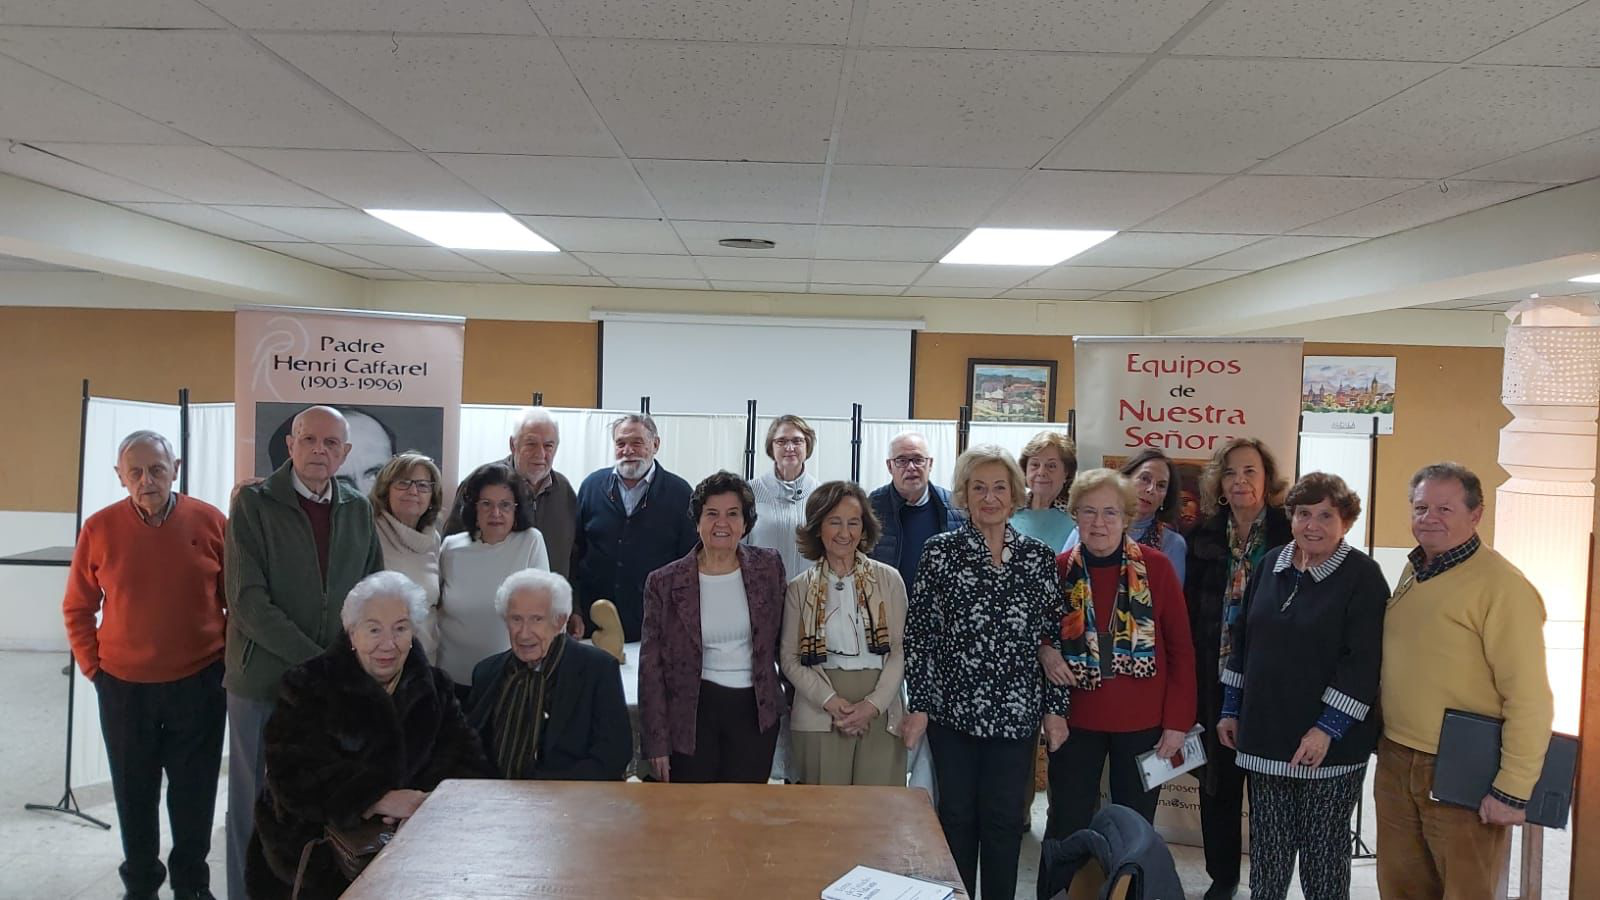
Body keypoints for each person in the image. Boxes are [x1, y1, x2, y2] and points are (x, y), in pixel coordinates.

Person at [244, 572, 487, 900]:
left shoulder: (435, 688)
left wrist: (426, 804)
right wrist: (376, 798)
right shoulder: (307, 685)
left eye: (400, 628)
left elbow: (469, 763)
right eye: (374, 629)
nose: (388, 644)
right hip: (319, 855)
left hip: (415, 850)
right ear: (351, 633)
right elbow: (292, 775)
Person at [224, 405, 383, 900]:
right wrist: (319, 662)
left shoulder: (357, 508)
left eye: (331, 443)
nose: (320, 450)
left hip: (332, 686)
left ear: (345, 453)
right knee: (254, 803)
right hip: (263, 682)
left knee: (322, 801)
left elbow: (370, 593)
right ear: (290, 445)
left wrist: (345, 667)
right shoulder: (253, 504)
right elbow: (248, 602)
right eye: (309, 439)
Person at [62, 431, 227, 900]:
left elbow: (237, 601)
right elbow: (77, 607)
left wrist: (223, 665)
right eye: (134, 472)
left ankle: (192, 885)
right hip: (124, 686)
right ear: (120, 477)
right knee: (134, 792)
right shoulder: (99, 528)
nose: (146, 480)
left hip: (199, 681)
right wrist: (95, 669)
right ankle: (140, 885)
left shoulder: (211, 521)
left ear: (175, 467)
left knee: (194, 793)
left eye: (156, 469)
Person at [1376, 463, 1553, 899]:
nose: (1429, 517)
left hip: (1462, 769)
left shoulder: (1504, 588)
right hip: (1398, 759)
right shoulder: (1416, 569)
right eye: (1420, 507)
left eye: (1444, 508)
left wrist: (1512, 789)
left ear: (1476, 515)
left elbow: (1529, 697)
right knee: (1400, 888)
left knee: (1465, 890)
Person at [901, 445, 1069, 900]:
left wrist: (1056, 711)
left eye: (999, 487)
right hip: (953, 714)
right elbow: (919, 637)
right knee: (955, 818)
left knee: (1004, 821)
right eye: (979, 487)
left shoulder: (1037, 559)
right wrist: (919, 705)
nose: (989, 497)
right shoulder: (940, 552)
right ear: (964, 495)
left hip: (1016, 717)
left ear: (1015, 494)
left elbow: (1055, 640)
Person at [1215, 472, 1389, 900]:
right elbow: (1243, 641)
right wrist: (1231, 707)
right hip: (1264, 734)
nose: (1313, 524)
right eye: (1303, 513)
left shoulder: (1363, 576)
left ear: (1346, 521)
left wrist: (1326, 729)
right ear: (1290, 517)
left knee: (1323, 856)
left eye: (1326, 515)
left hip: (1329, 746)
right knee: (1268, 853)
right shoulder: (1270, 564)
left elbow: (1363, 663)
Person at [1040, 468, 1196, 841]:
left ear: (1126, 517)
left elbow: (1181, 650)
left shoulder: (1157, 568)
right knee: (1067, 822)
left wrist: (1177, 723)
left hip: (1144, 724)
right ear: (1075, 515)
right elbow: (1040, 635)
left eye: (1110, 512)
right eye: (1088, 511)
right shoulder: (1057, 570)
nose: (1099, 523)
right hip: (1075, 719)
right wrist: (1045, 650)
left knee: (1134, 829)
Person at [1184, 437, 1290, 900]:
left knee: (1269, 796)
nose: (1240, 480)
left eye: (1250, 471)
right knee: (1218, 789)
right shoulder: (1201, 537)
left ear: (1267, 479)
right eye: (1230, 473)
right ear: (1219, 485)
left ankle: (1269, 884)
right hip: (1212, 682)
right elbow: (1186, 618)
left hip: (1272, 687)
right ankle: (1222, 878)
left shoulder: (1292, 534)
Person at [639, 472, 788, 783]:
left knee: (745, 815)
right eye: (712, 514)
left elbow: (783, 644)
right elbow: (651, 668)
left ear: (746, 524)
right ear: (697, 521)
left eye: (733, 514)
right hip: (692, 714)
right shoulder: (664, 582)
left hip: (755, 712)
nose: (723, 523)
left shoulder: (768, 567)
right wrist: (656, 742)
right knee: (694, 815)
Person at [780, 480, 907, 786]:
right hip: (820, 709)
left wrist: (872, 706)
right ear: (817, 528)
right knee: (825, 817)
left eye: (853, 523)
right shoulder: (799, 587)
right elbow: (789, 658)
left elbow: (901, 650)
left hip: (880, 704)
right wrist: (831, 701)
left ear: (864, 530)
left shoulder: (889, 579)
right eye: (834, 522)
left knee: (878, 810)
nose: (844, 533)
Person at [465, 568, 632, 781]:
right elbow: (469, 751)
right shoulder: (487, 672)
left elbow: (614, 754)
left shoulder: (596, 668)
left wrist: (545, 794)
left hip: (570, 803)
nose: (524, 633)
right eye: (516, 619)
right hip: (496, 803)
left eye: (536, 619)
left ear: (560, 621)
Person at [574, 414, 696, 641]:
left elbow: (689, 564)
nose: (628, 450)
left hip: (655, 624)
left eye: (637, 443)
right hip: (595, 623)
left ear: (655, 445)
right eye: (621, 443)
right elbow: (576, 551)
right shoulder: (591, 487)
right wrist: (575, 609)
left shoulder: (680, 494)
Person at [437, 462, 551, 690]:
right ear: (473, 508)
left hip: (508, 678)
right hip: (451, 677)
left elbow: (543, 612)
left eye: (505, 505)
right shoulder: (450, 547)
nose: (496, 513)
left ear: (517, 509)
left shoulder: (530, 541)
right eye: (486, 504)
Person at [445, 407, 579, 579]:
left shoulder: (564, 490)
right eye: (531, 444)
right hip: (489, 598)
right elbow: (453, 545)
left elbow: (575, 556)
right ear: (512, 445)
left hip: (549, 601)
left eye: (548, 446)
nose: (541, 454)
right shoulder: (481, 483)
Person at [868, 431, 967, 591]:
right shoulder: (872, 507)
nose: (911, 467)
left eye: (918, 460)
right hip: (886, 608)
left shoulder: (956, 507)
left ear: (930, 464)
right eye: (901, 460)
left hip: (939, 611)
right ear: (889, 466)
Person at [370, 452, 444, 659]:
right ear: (386, 491)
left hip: (426, 660)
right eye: (403, 483)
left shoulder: (434, 539)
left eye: (422, 485)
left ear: (431, 497)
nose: (413, 491)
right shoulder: (369, 532)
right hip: (381, 660)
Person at [746, 414, 819, 580]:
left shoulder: (822, 495)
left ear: (807, 445)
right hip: (761, 595)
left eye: (797, 441)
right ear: (771, 447)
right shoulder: (749, 492)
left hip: (808, 596)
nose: (790, 447)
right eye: (781, 441)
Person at [1010, 430, 1077, 552]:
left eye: (1051, 466)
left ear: (1066, 472)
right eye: (1035, 465)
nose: (1041, 472)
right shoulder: (1008, 510)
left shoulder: (1077, 516)